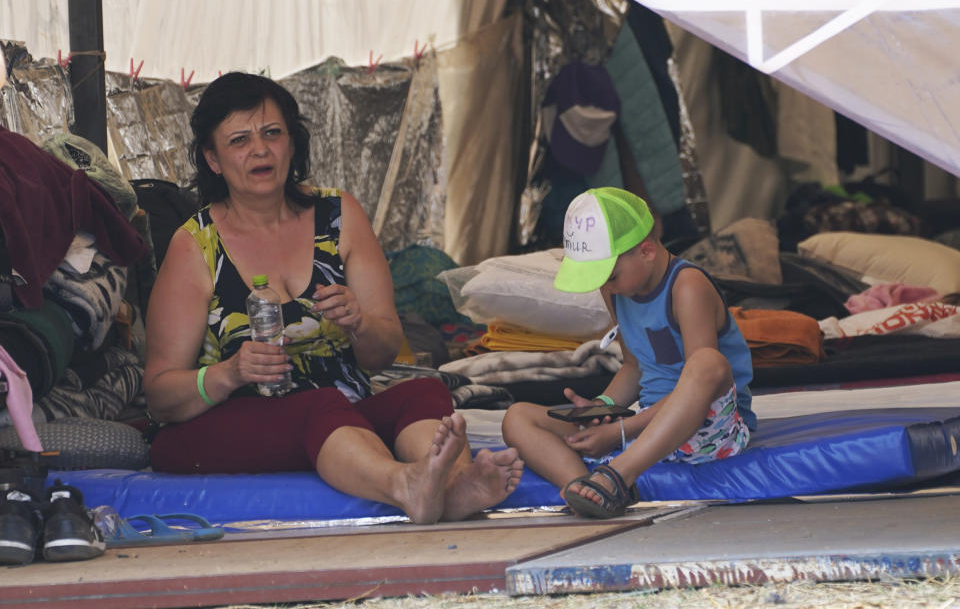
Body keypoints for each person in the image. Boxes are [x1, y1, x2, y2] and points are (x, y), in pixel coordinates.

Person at [144, 72, 523, 524]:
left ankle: (457, 488)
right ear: (213, 159)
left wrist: (359, 323)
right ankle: (405, 485)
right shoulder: (195, 246)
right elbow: (160, 394)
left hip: (340, 415)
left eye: (272, 133)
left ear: (293, 142)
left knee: (422, 391)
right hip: (227, 424)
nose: (260, 150)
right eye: (239, 140)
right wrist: (228, 373)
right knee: (319, 406)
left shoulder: (339, 214)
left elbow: (381, 354)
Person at [501, 187, 756, 519]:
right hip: (645, 431)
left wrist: (621, 432)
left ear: (647, 251)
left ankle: (617, 477)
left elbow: (703, 383)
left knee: (707, 362)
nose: (605, 286)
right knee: (517, 417)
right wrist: (601, 407)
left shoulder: (687, 287)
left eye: (610, 276)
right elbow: (635, 367)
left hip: (708, 430)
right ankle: (586, 488)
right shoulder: (617, 291)